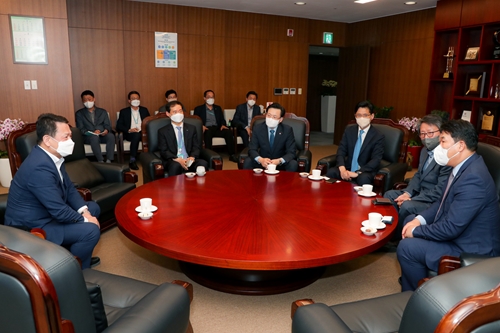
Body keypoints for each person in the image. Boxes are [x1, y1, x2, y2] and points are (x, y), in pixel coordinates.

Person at [397, 119, 500, 291]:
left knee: (407, 247)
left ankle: (417, 300)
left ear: (460, 146)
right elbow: (441, 202)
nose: (439, 146)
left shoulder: (474, 179)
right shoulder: (462, 166)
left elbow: (451, 228)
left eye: (443, 140)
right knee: (411, 218)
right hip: (460, 234)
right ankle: (413, 281)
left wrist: (415, 231)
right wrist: (419, 221)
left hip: (471, 250)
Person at [4, 113, 101, 269]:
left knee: (92, 208)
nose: (71, 141)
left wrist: (85, 212)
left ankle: (79, 255)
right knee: (90, 230)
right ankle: (77, 271)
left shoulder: (53, 156)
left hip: (47, 213)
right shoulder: (39, 167)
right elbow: (58, 210)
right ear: (48, 140)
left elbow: (69, 188)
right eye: (66, 137)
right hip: (33, 226)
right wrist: (86, 220)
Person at [384, 115, 452, 239]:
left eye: (430, 133)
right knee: (389, 195)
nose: (426, 138)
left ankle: (398, 238)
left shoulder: (447, 156)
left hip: (433, 201)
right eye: (423, 134)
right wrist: (408, 194)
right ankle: (388, 234)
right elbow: (418, 175)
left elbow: (440, 191)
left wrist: (412, 200)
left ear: (441, 133)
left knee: (406, 206)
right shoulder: (424, 151)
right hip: (418, 193)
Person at [326, 100, 384, 185]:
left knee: (363, 178)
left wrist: (358, 172)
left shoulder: (378, 136)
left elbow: (376, 160)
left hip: (365, 171)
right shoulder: (349, 130)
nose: (362, 118)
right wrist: (342, 169)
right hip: (348, 168)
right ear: (355, 116)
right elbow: (341, 151)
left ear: (372, 116)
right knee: (332, 172)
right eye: (359, 115)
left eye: (365, 115)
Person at [158, 101, 209, 175]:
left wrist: (192, 157)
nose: (178, 114)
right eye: (174, 112)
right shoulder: (163, 131)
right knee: (175, 166)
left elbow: (196, 147)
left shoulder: (192, 128)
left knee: (202, 164)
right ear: (168, 114)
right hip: (174, 160)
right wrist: (178, 160)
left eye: (180, 111)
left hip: (189, 160)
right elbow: (163, 150)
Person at [243, 103, 298, 171]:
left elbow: (291, 152)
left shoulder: (287, 130)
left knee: (293, 164)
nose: (270, 119)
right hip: (262, 162)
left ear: (280, 119)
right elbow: (252, 149)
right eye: (269, 115)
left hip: (279, 163)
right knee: (248, 161)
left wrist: (279, 161)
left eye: (274, 117)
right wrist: (261, 160)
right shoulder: (258, 128)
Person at [193, 90, 237, 162]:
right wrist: (201, 126)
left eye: (212, 97)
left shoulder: (218, 108)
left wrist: (223, 125)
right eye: (208, 97)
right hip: (207, 128)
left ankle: (232, 155)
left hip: (217, 128)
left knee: (228, 132)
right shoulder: (198, 109)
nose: (211, 99)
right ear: (204, 98)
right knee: (208, 133)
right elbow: (196, 120)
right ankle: (210, 155)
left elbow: (222, 120)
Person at [75, 90, 115, 163]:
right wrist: (92, 132)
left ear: (94, 99)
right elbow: (80, 128)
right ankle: (100, 160)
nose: (88, 102)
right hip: (88, 137)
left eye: (89, 99)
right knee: (94, 138)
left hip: (102, 134)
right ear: (82, 101)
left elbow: (107, 125)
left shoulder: (103, 111)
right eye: (85, 100)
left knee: (111, 136)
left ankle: (109, 160)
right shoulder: (79, 113)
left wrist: (105, 131)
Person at [116, 91, 150, 170]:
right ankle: (132, 160)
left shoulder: (144, 110)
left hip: (143, 133)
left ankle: (150, 159)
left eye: (137, 98)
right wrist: (129, 130)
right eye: (133, 99)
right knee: (136, 135)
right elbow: (119, 125)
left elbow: (149, 122)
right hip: (130, 133)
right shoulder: (124, 111)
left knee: (146, 135)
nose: (135, 100)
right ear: (129, 101)